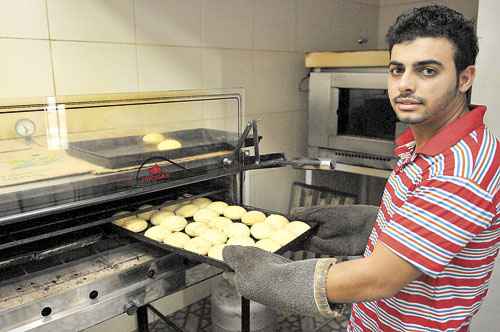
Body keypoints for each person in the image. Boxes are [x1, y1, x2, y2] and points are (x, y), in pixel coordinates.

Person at [223, 5, 499, 331]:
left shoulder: (461, 170)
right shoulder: (422, 144)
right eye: (397, 70)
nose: (404, 85)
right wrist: (368, 225)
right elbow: (434, 234)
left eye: (427, 71)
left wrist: (271, 280)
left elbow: (379, 279)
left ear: (465, 78)